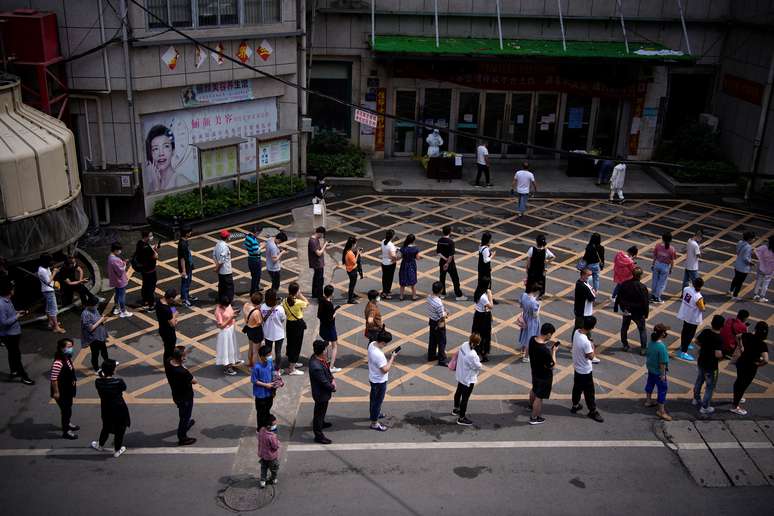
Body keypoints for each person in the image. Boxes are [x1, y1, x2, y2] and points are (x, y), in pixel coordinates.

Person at [91, 359, 130, 458]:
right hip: (119, 409)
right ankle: (117, 450)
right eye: (115, 367)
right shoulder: (118, 381)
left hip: (106, 408)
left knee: (106, 427)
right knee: (120, 430)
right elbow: (124, 388)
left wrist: (102, 373)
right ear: (112, 370)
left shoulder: (98, 382)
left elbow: (102, 378)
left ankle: (100, 445)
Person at [731, 322, 769, 416]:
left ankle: (736, 398)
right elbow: (766, 360)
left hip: (741, 362)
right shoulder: (762, 344)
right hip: (751, 367)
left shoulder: (747, 335)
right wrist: (759, 364)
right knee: (743, 385)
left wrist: (741, 346)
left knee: (739, 381)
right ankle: (735, 406)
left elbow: (737, 336)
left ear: (756, 329)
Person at [570, 316, 604, 422]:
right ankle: (592, 411)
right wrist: (592, 346)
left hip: (577, 367)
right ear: (592, 327)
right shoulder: (586, 342)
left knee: (577, 388)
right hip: (585, 370)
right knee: (589, 392)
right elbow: (591, 356)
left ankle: (575, 405)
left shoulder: (577, 332)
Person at [0, 281, 34, 385]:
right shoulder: (1, 304)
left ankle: (14, 371)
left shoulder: (7, 300)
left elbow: (10, 313)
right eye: (12, 288)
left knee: (12, 353)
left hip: (14, 333)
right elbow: (3, 322)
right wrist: (17, 316)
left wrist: (17, 312)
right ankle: (24, 376)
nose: (14, 290)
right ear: (9, 291)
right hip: (9, 335)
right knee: (16, 356)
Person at [165, 346, 197, 445]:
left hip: (176, 394)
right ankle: (182, 437)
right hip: (185, 397)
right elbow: (194, 381)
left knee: (183, 413)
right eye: (184, 356)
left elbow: (177, 360)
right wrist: (184, 366)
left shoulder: (169, 361)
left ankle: (186, 424)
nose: (185, 357)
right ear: (181, 358)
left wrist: (182, 356)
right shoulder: (182, 371)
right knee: (184, 416)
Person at [693, 315, 724, 415]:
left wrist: (705, 348)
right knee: (710, 387)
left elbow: (696, 341)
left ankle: (696, 398)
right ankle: (705, 407)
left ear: (712, 323)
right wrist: (724, 356)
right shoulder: (719, 338)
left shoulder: (706, 331)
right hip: (711, 366)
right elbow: (718, 354)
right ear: (722, 326)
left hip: (701, 361)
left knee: (699, 380)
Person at [528, 323, 558, 425]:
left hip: (534, 371)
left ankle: (530, 406)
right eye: (551, 334)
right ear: (548, 334)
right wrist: (553, 352)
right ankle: (534, 417)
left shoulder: (532, 339)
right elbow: (552, 366)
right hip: (544, 376)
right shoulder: (544, 351)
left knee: (534, 389)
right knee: (539, 397)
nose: (551, 336)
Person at [50, 338, 79, 439]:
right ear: (62, 348)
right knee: (66, 411)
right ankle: (66, 431)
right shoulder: (58, 363)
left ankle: (68, 423)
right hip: (61, 391)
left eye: (72, 346)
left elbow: (70, 371)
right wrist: (56, 392)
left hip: (68, 389)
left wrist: (73, 379)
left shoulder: (66, 357)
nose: (71, 349)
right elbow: (54, 379)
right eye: (69, 347)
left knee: (68, 408)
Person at [368, 330, 396, 431]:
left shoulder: (371, 344)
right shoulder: (378, 354)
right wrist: (392, 358)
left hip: (373, 377)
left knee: (373, 399)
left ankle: (374, 414)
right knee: (377, 402)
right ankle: (374, 423)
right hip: (379, 381)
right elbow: (385, 370)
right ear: (383, 342)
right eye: (386, 343)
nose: (386, 345)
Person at [453, 332, 483, 426]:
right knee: (465, 398)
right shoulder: (472, 355)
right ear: (477, 343)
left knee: (458, 391)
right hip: (468, 379)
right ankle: (461, 418)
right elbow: (478, 366)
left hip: (460, 374)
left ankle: (456, 409)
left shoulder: (464, 344)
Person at [309, 339, 335, 444]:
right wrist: (333, 387)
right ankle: (318, 435)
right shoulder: (316, 366)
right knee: (318, 414)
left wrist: (332, 378)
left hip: (323, 393)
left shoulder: (318, 358)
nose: (326, 351)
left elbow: (327, 370)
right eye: (325, 349)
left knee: (322, 412)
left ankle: (322, 423)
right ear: (322, 351)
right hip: (320, 394)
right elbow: (324, 382)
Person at [617, 267, 650, 354]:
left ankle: (625, 345)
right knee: (642, 329)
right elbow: (645, 302)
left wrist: (623, 308)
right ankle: (643, 348)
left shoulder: (625, 284)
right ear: (640, 276)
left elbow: (620, 297)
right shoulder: (642, 287)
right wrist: (646, 313)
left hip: (627, 310)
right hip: (638, 312)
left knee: (624, 328)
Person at [643, 323, 672, 421]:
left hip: (650, 369)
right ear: (662, 334)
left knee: (650, 384)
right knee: (662, 389)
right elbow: (663, 363)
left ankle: (648, 401)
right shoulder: (661, 347)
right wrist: (663, 375)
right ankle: (661, 411)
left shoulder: (651, 342)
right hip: (658, 372)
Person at [676, 277, 706, 361]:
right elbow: (702, 309)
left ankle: (683, 344)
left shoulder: (686, 289)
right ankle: (684, 351)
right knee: (690, 334)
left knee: (685, 330)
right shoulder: (698, 297)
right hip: (693, 317)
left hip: (685, 313)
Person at [282, 282, 308, 376]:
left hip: (289, 323)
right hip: (297, 325)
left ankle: (293, 362)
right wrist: (300, 295)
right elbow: (307, 303)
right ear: (296, 291)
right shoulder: (298, 302)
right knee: (296, 345)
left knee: (290, 343)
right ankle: (292, 369)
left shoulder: (284, 301)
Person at [81, 296, 110, 373]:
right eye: (96, 305)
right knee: (95, 354)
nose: (97, 306)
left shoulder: (95, 309)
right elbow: (90, 328)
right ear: (90, 305)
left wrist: (103, 319)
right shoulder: (85, 314)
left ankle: (108, 363)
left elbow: (98, 320)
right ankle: (96, 368)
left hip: (100, 335)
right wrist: (101, 320)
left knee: (104, 351)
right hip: (93, 338)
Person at [437, 226, 466, 300]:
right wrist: (447, 263)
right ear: (450, 232)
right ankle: (459, 295)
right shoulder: (451, 242)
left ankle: (442, 294)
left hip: (442, 262)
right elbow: (451, 255)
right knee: (455, 279)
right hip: (450, 264)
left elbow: (438, 252)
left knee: (442, 278)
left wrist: (444, 259)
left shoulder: (440, 240)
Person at [261, 288, 287, 372]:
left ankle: (269, 367)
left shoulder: (263, 307)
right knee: (278, 352)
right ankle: (277, 370)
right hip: (278, 333)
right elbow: (282, 319)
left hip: (267, 333)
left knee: (268, 352)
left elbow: (262, 318)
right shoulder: (280, 308)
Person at [38, 254, 64, 333]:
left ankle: (50, 322)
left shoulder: (45, 267)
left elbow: (49, 277)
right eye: (49, 261)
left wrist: (53, 271)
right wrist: (54, 272)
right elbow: (48, 281)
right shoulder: (42, 270)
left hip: (48, 289)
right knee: (53, 309)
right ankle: (56, 327)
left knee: (49, 308)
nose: (51, 262)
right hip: (48, 291)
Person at [318, 285, 341, 373]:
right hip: (330, 327)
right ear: (331, 293)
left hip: (323, 326)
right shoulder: (329, 304)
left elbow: (319, 315)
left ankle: (325, 360)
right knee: (335, 346)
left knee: (326, 343)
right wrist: (334, 314)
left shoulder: (321, 300)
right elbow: (330, 318)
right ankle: (331, 367)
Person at [251, 344, 275, 429]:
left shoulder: (270, 363)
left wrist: (276, 381)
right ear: (262, 357)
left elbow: (273, 372)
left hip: (269, 393)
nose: (270, 357)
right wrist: (266, 385)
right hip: (260, 395)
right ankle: (260, 429)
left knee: (267, 409)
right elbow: (254, 380)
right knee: (261, 412)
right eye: (268, 355)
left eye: (270, 354)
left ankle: (266, 424)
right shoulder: (256, 367)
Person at [215, 296, 240, 376]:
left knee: (232, 347)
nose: (227, 306)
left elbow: (230, 312)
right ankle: (227, 368)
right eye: (225, 305)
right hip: (225, 332)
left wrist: (234, 313)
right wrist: (231, 318)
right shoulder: (218, 311)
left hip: (231, 329)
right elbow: (221, 326)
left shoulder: (228, 305)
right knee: (226, 350)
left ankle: (233, 361)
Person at [135, 231, 159, 311]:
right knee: (151, 287)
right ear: (146, 236)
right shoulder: (146, 247)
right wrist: (155, 251)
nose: (152, 237)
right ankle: (151, 304)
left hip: (144, 269)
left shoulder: (139, 243)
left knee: (145, 285)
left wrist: (152, 249)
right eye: (150, 235)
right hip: (150, 270)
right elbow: (155, 256)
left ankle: (145, 300)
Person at [650, 232, 677, 304]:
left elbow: (655, 256)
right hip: (665, 267)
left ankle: (652, 295)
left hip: (657, 264)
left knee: (655, 280)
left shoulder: (658, 245)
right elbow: (672, 260)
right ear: (670, 240)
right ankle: (657, 297)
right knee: (661, 283)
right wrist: (671, 269)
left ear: (662, 238)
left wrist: (653, 264)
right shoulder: (672, 249)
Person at [471, 278, 493, 362]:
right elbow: (491, 306)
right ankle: (483, 353)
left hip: (478, 315)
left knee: (477, 333)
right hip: (484, 317)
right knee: (485, 335)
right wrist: (490, 295)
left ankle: (476, 350)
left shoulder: (478, 292)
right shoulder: (483, 297)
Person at [107, 242, 132, 318]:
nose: (120, 251)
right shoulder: (115, 259)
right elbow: (120, 270)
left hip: (115, 280)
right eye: (119, 250)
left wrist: (123, 262)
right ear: (115, 250)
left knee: (117, 294)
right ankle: (123, 311)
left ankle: (117, 308)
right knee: (122, 296)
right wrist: (124, 264)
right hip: (120, 281)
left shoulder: (110, 257)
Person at [729, 231, 756, 300]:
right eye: (753, 238)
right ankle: (735, 296)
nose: (754, 240)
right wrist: (751, 263)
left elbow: (738, 251)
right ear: (750, 239)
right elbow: (745, 258)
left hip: (737, 264)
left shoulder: (740, 242)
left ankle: (731, 290)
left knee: (735, 279)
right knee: (739, 282)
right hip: (743, 268)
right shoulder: (748, 247)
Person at [427, 282, 448, 366]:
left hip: (432, 320)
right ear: (441, 290)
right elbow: (442, 316)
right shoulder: (438, 302)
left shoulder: (429, 297)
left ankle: (431, 356)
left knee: (432, 340)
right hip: (438, 323)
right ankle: (442, 360)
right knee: (442, 341)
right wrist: (446, 313)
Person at [519, 285, 541, 362]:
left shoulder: (523, 295)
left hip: (525, 317)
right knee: (530, 338)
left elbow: (521, 306)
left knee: (524, 333)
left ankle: (522, 350)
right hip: (532, 321)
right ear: (536, 292)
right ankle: (526, 356)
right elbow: (535, 315)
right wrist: (539, 306)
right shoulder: (534, 302)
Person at [257, 414, 280, 488]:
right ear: (268, 426)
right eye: (274, 424)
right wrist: (277, 441)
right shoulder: (271, 436)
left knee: (263, 468)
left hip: (263, 455)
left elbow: (259, 440)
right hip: (271, 457)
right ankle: (274, 479)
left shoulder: (261, 430)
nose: (275, 425)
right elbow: (275, 446)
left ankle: (262, 481)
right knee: (274, 469)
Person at [156, 288, 179, 363]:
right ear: (171, 298)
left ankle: (168, 363)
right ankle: (168, 364)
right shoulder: (166, 309)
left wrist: (173, 311)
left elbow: (172, 307)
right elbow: (173, 324)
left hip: (162, 328)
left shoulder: (159, 301)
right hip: (168, 332)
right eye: (174, 298)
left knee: (168, 348)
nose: (175, 300)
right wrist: (174, 314)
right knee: (169, 350)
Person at [243, 291, 265, 368]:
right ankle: (255, 368)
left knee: (250, 348)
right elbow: (259, 322)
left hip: (249, 329)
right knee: (256, 351)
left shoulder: (246, 305)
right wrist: (259, 311)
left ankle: (250, 363)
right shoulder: (256, 312)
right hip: (256, 331)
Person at [212, 230, 234, 304]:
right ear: (227, 237)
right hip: (226, 271)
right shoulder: (224, 247)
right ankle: (229, 302)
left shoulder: (218, 244)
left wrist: (217, 265)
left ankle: (221, 299)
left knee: (221, 286)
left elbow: (214, 255)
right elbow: (222, 260)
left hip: (221, 271)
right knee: (229, 287)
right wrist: (217, 268)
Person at [177, 226, 197, 307]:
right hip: (185, 267)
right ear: (186, 233)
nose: (190, 233)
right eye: (189, 232)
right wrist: (184, 271)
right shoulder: (182, 244)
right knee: (185, 283)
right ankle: (184, 299)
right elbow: (182, 259)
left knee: (188, 282)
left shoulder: (185, 241)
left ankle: (186, 295)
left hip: (189, 265)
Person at [308, 226, 329, 299]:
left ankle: (315, 294)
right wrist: (325, 245)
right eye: (322, 235)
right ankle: (319, 295)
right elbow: (319, 253)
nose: (322, 236)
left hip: (318, 263)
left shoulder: (315, 239)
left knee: (316, 278)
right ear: (320, 233)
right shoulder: (313, 241)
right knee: (319, 280)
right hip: (317, 263)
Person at [398, 234, 420, 301]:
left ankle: (401, 296)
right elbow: (418, 258)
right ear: (413, 240)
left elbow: (399, 256)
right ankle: (414, 296)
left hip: (404, 264)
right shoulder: (415, 249)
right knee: (412, 281)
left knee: (403, 280)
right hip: (411, 265)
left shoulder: (403, 248)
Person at [753, 235, 774, 302]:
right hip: (770, 269)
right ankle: (762, 297)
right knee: (766, 283)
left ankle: (755, 295)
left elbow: (755, 252)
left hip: (761, 267)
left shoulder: (764, 247)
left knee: (758, 281)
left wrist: (760, 258)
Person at [244, 225, 263, 295]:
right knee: (256, 276)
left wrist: (258, 246)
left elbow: (246, 245)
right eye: (259, 233)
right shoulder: (253, 240)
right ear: (256, 232)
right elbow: (256, 251)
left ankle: (256, 287)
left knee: (254, 275)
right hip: (255, 260)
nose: (259, 235)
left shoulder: (248, 237)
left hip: (250, 259)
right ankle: (253, 291)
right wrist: (262, 246)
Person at [342, 236, 361, 304]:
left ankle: (352, 294)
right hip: (352, 270)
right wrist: (357, 254)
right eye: (355, 243)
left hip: (349, 269)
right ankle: (350, 299)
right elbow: (354, 262)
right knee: (352, 285)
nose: (356, 245)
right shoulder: (350, 253)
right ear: (353, 244)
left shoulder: (346, 250)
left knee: (352, 284)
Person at [380, 230, 398, 299]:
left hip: (383, 262)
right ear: (392, 236)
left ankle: (384, 291)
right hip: (390, 263)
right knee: (389, 279)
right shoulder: (391, 245)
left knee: (384, 278)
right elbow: (393, 256)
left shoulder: (383, 241)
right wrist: (396, 257)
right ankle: (387, 293)